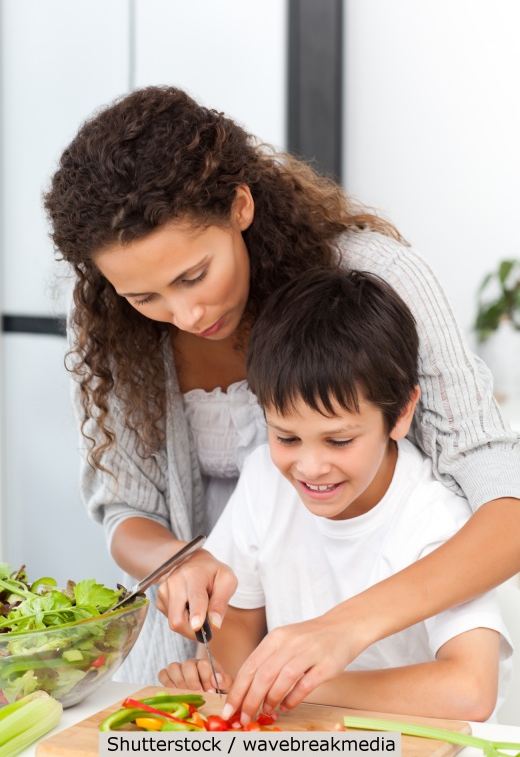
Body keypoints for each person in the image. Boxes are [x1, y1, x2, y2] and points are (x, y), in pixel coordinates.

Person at [43, 86, 520, 701]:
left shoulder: (374, 279)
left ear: (240, 206)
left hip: (370, 656)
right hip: (216, 658)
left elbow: (499, 492)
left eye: (195, 275)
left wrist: (340, 630)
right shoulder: (109, 322)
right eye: (145, 297)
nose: (184, 314)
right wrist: (179, 562)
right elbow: (124, 510)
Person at [159, 268, 512, 723]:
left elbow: (471, 693)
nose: (310, 467)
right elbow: (238, 622)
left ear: (402, 413)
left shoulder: (436, 518)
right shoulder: (265, 479)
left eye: (339, 441)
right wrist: (224, 679)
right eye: (286, 437)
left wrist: (296, 686)